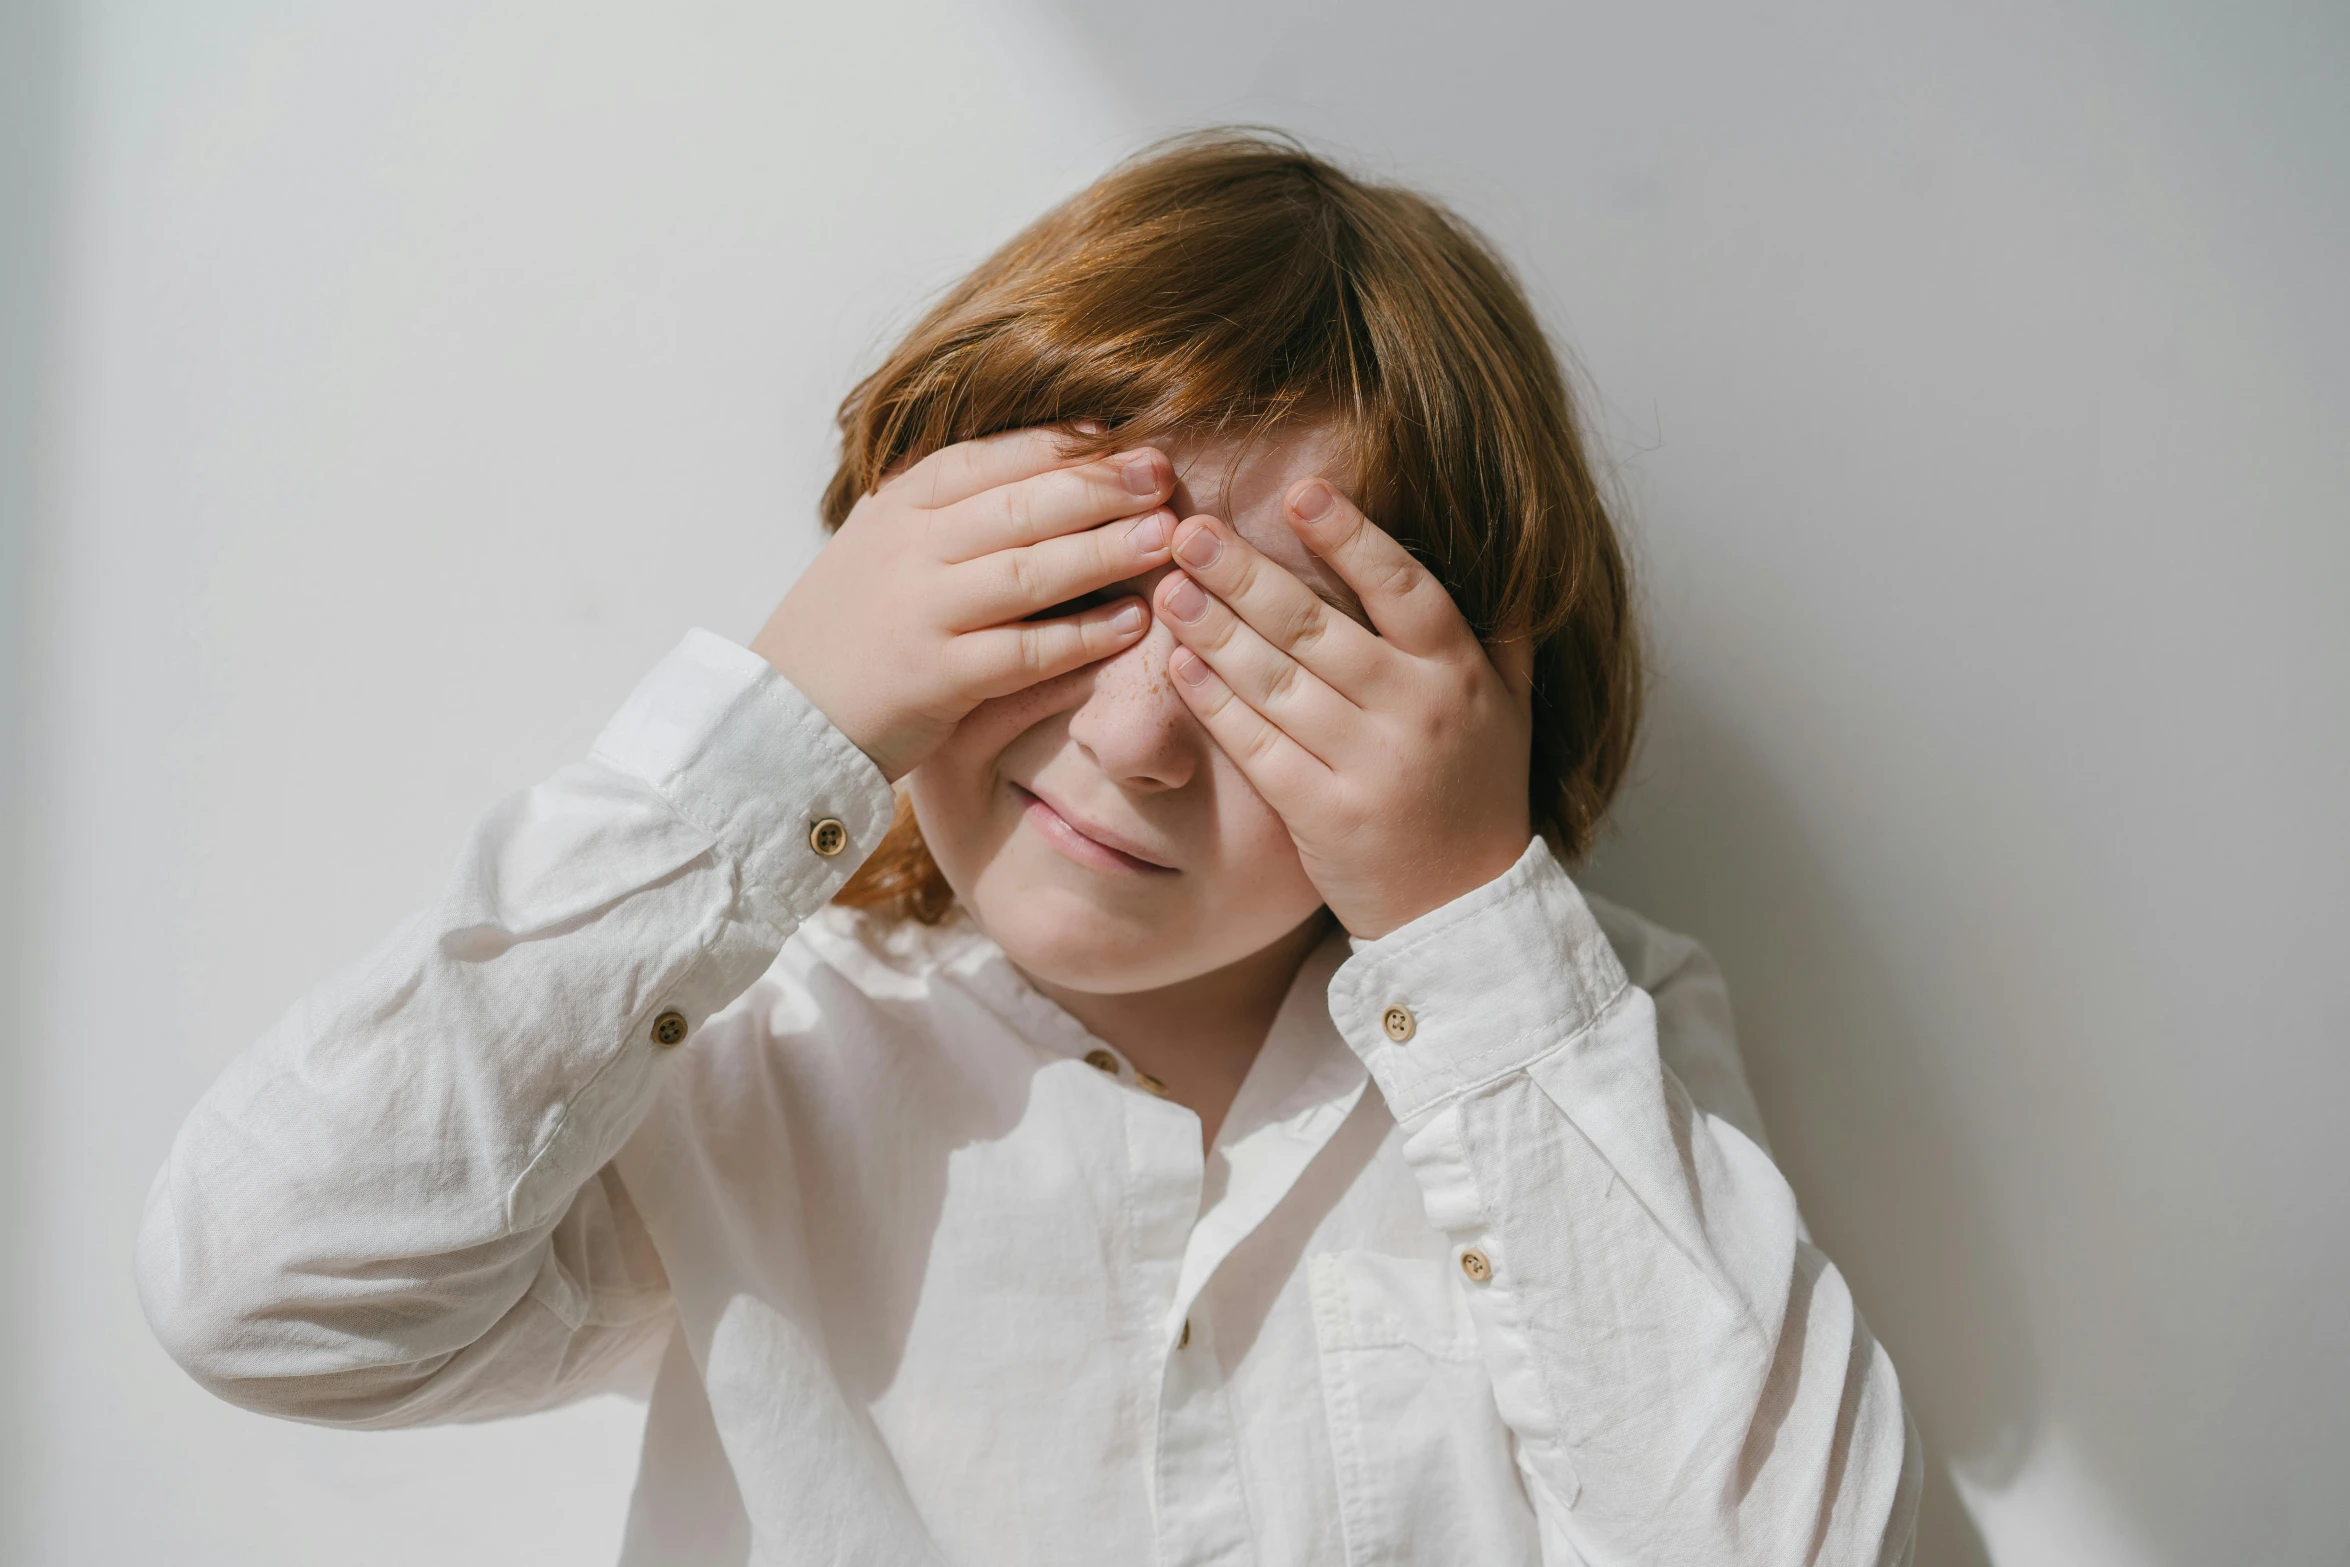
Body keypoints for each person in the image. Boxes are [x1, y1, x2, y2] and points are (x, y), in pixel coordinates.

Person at [136, 131, 1920, 1565]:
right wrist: (781, 730)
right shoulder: (756, 1052)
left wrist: (1463, 914)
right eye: (1069, 602)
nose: (1135, 742)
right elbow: (270, 1293)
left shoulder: (1583, 1040)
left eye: (1272, 666)